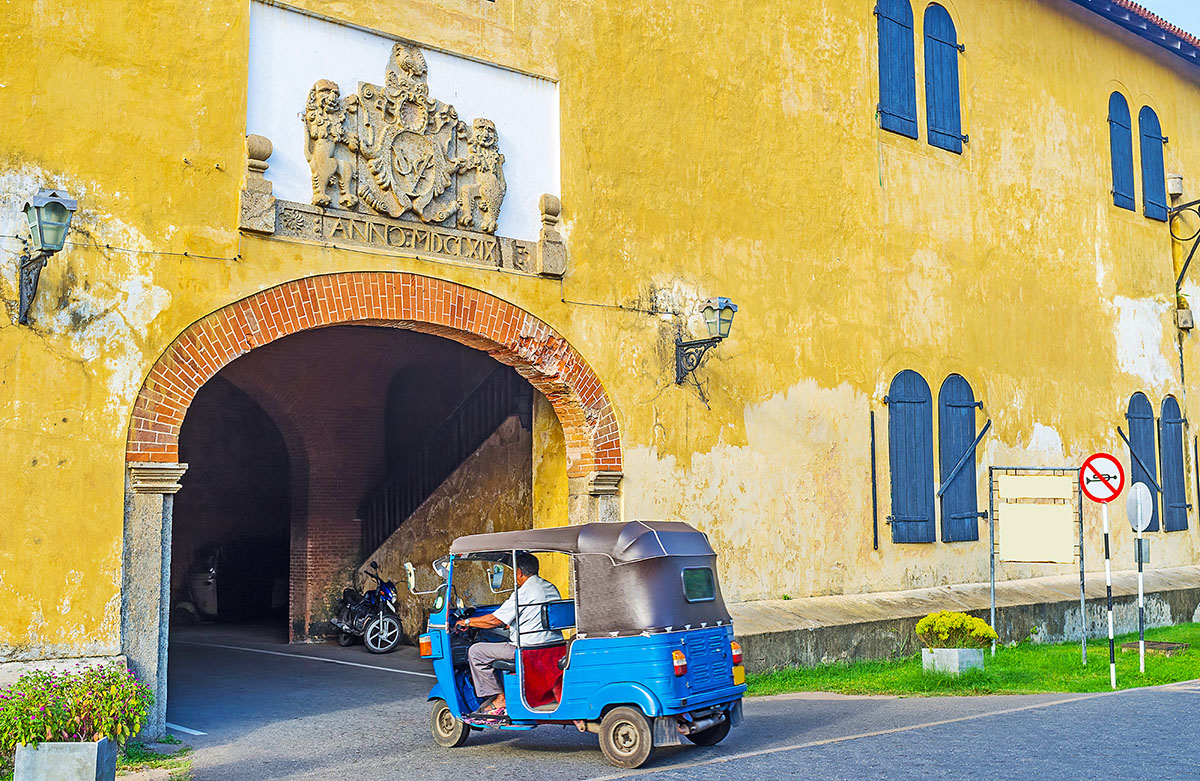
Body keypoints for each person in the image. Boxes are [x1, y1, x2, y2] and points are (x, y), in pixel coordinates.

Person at [456, 551, 561, 717]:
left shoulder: (524, 592)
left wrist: (466, 622)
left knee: (476, 652)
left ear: (519, 572)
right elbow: (537, 614)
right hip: (552, 646)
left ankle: (500, 698)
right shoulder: (550, 587)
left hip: (527, 649)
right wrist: (512, 622)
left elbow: (493, 620)